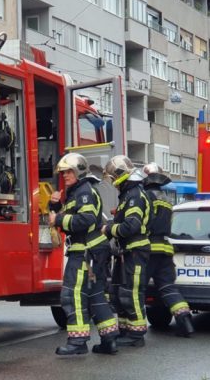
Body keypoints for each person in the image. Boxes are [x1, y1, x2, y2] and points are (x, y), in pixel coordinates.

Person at [49, 152, 119, 355]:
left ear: (79, 171)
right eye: (63, 172)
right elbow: (73, 215)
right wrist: (55, 207)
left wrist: (59, 220)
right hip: (93, 252)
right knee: (96, 295)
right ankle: (109, 339)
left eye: (69, 171)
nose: (65, 175)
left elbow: (85, 219)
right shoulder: (79, 190)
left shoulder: (84, 191)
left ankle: (77, 343)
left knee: (73, 295)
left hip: (85, 253)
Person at [142, 162, 195, 337]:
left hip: (149, 248)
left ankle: (132, 330)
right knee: (168, 287)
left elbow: (144, 222)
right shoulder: (165, 199)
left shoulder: (146, 196)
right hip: (165, 249)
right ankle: (185, 322)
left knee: (136, 289)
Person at [102, 155, 150, 347]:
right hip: (126, 251)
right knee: (120, 293)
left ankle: (137, 335)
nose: (113, 183)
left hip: (136, 251)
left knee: (132, 293)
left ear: (120, 176)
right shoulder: (128, 195)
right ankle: (125, 330)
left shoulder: (134, 196)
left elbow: (131, 226)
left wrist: (109, 229)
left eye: (113, 179)